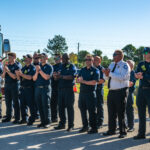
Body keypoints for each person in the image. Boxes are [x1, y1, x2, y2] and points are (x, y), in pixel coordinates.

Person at [103, 50, 130, 138]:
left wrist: (110, 73)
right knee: (111, 112)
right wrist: (106, 74)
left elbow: (122, 77)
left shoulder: (125, 65)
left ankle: (123, 132)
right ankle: (112, 130)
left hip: (120, 91)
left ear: (121, 56)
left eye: (115, 54)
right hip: (111, 91)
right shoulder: (111, 64)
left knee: (120, 112)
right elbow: (106, 77)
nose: (113, 56)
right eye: (113, 54)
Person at [77, 54, 100, 134]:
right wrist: (79, 79)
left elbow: (94, 82)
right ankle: (85, 126)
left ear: (92, 61)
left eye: (89, 60)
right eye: (86, 60)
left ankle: (94, 128)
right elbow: (78, 79)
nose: (87, 61)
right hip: (82, 93)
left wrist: (83, 81)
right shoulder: (82, 69)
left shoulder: (95, 70)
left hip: (90, 93)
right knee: (82, 110)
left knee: (91, 111)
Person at [54, 53, 77, 132]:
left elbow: (72, 76)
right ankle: (62, 124)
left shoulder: (71, 66)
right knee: (60, 107)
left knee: (69, 108)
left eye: (65, 58)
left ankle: (71, 125)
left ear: (68, 58)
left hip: (69, 90)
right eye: (63, 58)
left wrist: (62, 76)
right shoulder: (60, 66)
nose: (64, 60)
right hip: (60, 90)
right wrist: (56, 76)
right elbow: (57, 78)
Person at [134, 47, 150, 140]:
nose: (144, 54)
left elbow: (144, 76)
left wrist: (143, 76)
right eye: (143, 52)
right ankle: (141, 133)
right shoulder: (141, 63)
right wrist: (137, 75)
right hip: (141, 91)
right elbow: (136, 74)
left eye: (146, 52)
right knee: (141, 113)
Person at [33, 53, 53, 128]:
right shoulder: (38, 66)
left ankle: (48, 122)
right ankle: (42, 121)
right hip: (38, 88)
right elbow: (34, 78)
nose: (41, 58)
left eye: (43, 57)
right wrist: (37, 71)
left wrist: (40, 70)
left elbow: (46, 77)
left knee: (46, 105)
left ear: (46, 58)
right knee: (39, 105)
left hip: (45, 88)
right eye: (40, 57)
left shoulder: (49, 67)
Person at [16, 54, 36, 125]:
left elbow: (30, 77)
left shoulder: (33, 67)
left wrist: (21, 74)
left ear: (30, 60)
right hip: (23, 88)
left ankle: (32, 119)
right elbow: (19, 79)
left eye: (26, 58)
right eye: (24, 58)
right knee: (22, 105)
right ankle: (24, 119)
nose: (25, 60)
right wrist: (18, 74)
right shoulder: (23, 68)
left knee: (31, 105)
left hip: (30, 89)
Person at [2, 52, 21, 123]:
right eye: (8, 57)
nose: (8, 59)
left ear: (14, 57)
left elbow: (14, 77)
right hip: (7, 85)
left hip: (14, 85)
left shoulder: (17, 65)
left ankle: (17, 118)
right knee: (7, 102)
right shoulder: (8, 65)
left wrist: (8, 71)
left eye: (9, 57)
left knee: (15, 102)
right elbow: (3, 76)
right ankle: (8, 116)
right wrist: (4, 71)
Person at [93, 56, 105, 129]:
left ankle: (100, 122)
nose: (94, 61)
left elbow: (102, 80)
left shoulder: (102, 69)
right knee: (92, 106)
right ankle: (93, 121)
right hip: (92, 90)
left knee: (99, 106)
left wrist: (93, 81)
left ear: (100, 61)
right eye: (94, 60)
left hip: (99, 89)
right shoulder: (91, 68)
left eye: (96, 60)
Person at [51, 54, 62, 123]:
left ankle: (62, 119)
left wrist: (58, 75)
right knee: (53, 103)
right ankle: (54, 118)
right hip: (53, 87)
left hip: (61, 87)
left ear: (60, 58)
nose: (56, 60)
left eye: (57, 58)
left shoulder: (62, 66)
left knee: (61, 104)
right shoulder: (53, 66)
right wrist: (54, 75)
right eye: (55, 58)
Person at [126, 60, 136, 132]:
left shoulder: (133, 73)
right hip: (122, 92)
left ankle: (131, 126)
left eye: (128, 64)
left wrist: (121, 82)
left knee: (129, 110)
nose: (126, 66)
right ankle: (124, 125)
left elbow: (130, 83)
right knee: (122, 110)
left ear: (132, 66)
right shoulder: (124, 72)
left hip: (129, 93)